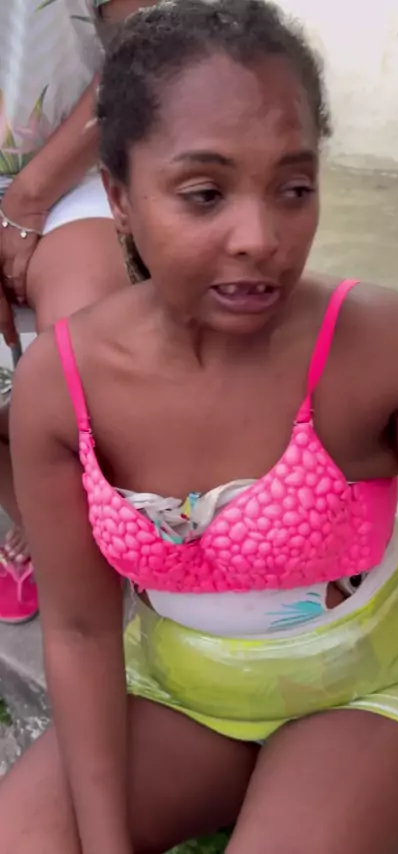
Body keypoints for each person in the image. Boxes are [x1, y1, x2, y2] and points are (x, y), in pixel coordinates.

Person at [1, 2, 398, 852]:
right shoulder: (62, 385)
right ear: (119, 196)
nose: (260, 238)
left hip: (373, 691)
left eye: (294, 189)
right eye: (205, 194)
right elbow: (78, 629)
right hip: (181, 695)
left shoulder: (382, 349)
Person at [0, 0, 155, 623]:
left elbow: (145, 43)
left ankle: (107, 512)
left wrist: (29, 197)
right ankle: (36, 517)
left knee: (80, 363)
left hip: (76, 159)